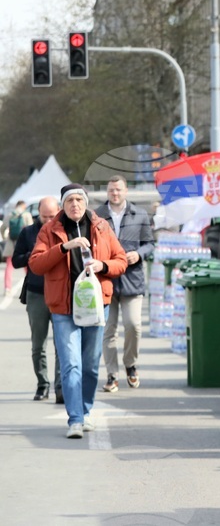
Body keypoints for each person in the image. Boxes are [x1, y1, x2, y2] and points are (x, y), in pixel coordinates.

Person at [29, 184, 126, 439]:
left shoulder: (101, 226)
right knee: (71, 364)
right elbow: (36, 264)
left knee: (91, 366)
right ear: (63, 205)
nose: (75, 204)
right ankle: (75, 419)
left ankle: (85, 411)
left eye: (79, 200)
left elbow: (121, 260)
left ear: (85, 203)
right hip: (63, 308)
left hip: (96, 306)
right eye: (70, 200)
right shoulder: (50, 230)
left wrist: (102, 264)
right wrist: (64, 247)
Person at [96, 176, 154, 391]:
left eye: (118, 190)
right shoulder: (97, 216)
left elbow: (150, 243)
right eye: (111, 190)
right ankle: (112, 375)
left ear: (126, 191)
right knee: (108, 330)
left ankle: (131, 364)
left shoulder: (139, 214)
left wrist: (138, 254)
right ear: (107, 192)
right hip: (106, 279)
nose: (115, 193)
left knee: (133, 325)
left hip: (132, 280)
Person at [12, 197, 63, 402]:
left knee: (62, 343)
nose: (48, 220)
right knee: (38, 344)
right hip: (36, 292)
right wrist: (33, 255)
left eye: (52, 216)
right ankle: (42, 384)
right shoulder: (28, 232)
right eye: (44, 216)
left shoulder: (64, 230)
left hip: (60, 292)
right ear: (38, 214)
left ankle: (60, 386)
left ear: (59, 212)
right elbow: (16, 260)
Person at [3, 200, 33, 293]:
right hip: (24, 245)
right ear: (23, 206)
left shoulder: (9, 215)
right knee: (27, 266)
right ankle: (30, 285)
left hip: (11, 243)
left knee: (9, 266)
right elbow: (31, 229)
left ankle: (7, 288)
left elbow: (3, 227)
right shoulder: (26, 215)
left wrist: (5, 238)